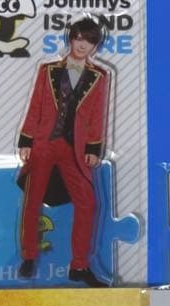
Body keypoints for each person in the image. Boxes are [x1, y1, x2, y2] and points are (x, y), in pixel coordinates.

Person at [16, 17, 110, 287]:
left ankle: (79, 265)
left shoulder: (99, 76)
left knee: (87, 203)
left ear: (95, 46)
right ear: (70, 39)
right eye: (78, 38)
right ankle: (28, 255)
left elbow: (96, 115)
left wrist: (93, 147)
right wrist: (26, 140)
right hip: (44, 144)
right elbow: (36, 105)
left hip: (74, 149)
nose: (82, 45)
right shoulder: (47, 70)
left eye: (89, 40)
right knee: (33, 199)